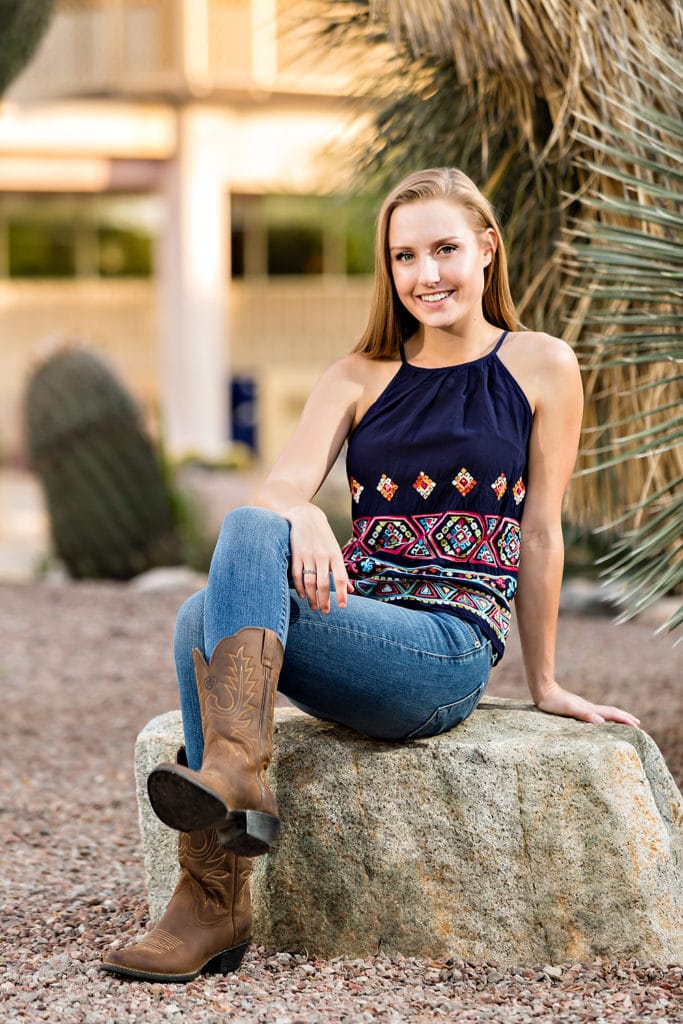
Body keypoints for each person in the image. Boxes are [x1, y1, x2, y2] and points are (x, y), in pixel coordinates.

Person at [101, 167, 639, 982]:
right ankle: (224, 839)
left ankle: (215, 868)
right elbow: (277, 490)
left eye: (445, 249)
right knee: (240, 545)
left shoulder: (539, 364)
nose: (427, 275)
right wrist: (308, 512)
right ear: (388, 270)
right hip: (361, 615)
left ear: (486, 249)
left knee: (200, 609)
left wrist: (547, 683)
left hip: (444, 650)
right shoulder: (358, 375)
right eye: (404, 256)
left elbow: (538, 533)